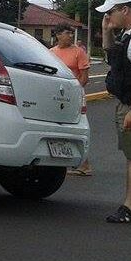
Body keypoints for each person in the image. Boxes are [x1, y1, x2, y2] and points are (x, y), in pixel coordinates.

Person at [97, 0, 131, 223]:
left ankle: (130, 207)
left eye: (111, 12)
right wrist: (107, 31)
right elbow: (112, 56)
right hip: (129, 102)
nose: (109, 17)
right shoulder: (129, 34)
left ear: (125, 9)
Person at [50, 24, 92, 175]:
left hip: (74, 95)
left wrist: (75, 93)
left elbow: (84, 77)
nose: (70, 36)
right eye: (67, 33)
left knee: (76, 126)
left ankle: (84, 164)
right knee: (56, 126)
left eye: (71, 33)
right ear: (58, 35)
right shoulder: (51, 52)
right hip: (56, 96)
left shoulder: (78, 52)